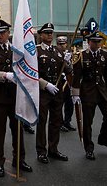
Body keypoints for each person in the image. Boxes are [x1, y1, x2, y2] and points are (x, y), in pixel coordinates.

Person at [0, 19, 32, 178]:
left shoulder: (16, 49)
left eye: (2, 33)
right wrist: (5, 75)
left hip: (15, 96)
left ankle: (19, 159)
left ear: (8, 33)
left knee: (18, 131)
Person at [71, 31, 107, 160]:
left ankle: (103, 139)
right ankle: (89, 149)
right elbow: (76, 76)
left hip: (102, 92)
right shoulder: (81, 56)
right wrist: (75, 94)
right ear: (89, 42)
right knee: (87, 123)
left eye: (99, 41)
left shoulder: (105, 55)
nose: (97, 44)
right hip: (88, 92)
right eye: (94, 41)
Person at [35, 23, 72, 164]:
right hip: (43, 91)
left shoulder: (58, 51)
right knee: (42, 121)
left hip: (56, 92)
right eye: (46, 32)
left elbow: (67, 71)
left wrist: (67, 62)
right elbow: (32, 73)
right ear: (41, 35)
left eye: (51, 32)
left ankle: (53, 149)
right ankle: (41, 151)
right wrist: (45, 85)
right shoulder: (36, 51)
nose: (50, 35)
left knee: (56, 121)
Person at [57, 36, 76, 132]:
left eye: (63, 44)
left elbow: (73, 67)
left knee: (69, 103)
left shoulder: (71, 54)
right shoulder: (56, 54)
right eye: (60, 44)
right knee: (59, 104)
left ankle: (67, 121)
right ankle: (59, 123)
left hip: (68, 81)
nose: (62, 46)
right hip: (60, 82)